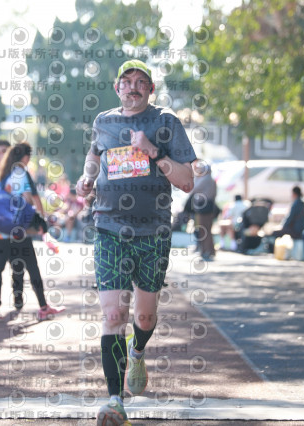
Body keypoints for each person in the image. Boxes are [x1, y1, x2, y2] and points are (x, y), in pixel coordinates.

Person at [75, 59, 196, 425]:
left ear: (150, 90)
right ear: (117, 88)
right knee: (113, 315)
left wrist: (153, 151)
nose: (133, 87)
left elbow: (187, 181)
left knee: (144, 315)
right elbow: (94, 155)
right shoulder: (104, 122)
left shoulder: (166, 122)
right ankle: (115, 401)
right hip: (109, 228)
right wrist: (87, 178)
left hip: (153, 231)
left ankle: (138, 351)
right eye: (126, 81)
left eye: (141, 82)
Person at [0, 142, 64, 321]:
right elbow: (28, 199)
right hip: (17, 231)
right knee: (31, 267)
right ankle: (43, 306)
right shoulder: (19, 173)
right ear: (25, 158)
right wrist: (38, 220)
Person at [189, 161, 217, 260]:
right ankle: (209, 250)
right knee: (207, 230)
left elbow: (193, 189)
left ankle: (206, 251)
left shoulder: (204, 179)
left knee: (203, 230)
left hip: (203, 207)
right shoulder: (211, 180)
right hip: (208, 207)